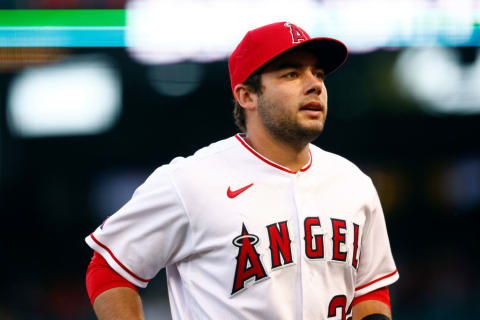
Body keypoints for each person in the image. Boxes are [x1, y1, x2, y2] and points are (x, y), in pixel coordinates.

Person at [85, 22, 399, 320]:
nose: (314, 84)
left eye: (317, 73)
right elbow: (108, 269)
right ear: (247, 95)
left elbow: (370, 289)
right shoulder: (190, 180)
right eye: (291, 74)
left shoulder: (353, 184)